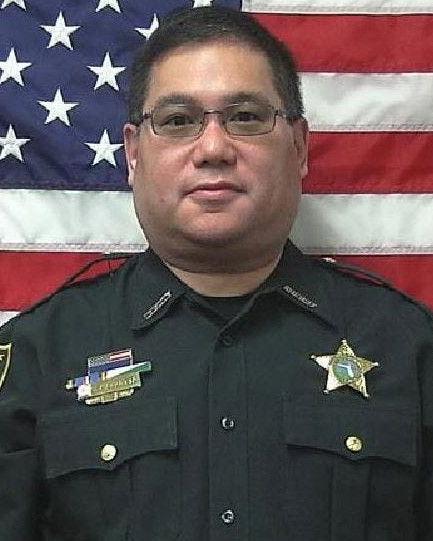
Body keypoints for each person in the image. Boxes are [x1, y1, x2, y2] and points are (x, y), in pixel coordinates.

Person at [0, 6, 432, 541]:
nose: (213, 149)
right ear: (133, 154)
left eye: (245, 117)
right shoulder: (39, 354)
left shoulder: (408, 347)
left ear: (299, 147)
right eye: (178, 121)